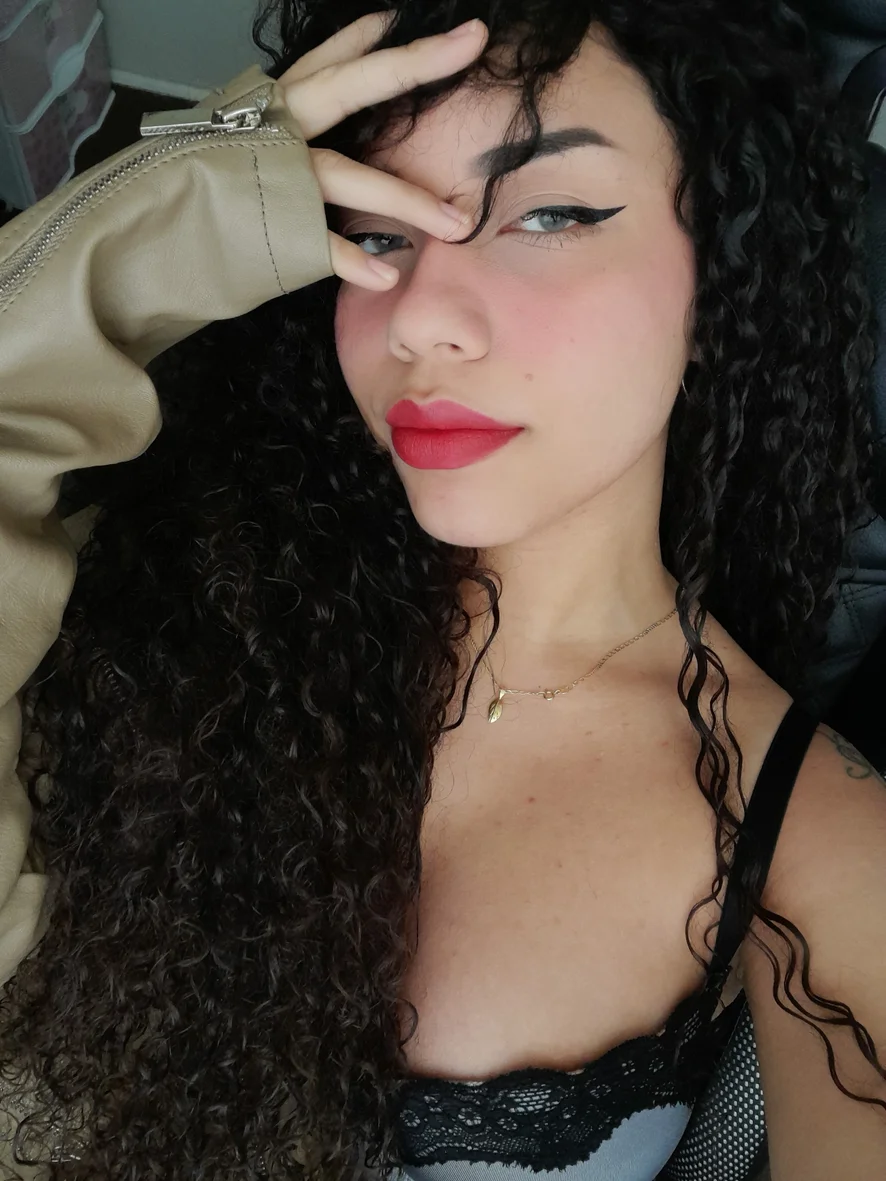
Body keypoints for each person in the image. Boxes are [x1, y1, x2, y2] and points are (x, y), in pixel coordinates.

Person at [0, 2, 884, 1179]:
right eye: (376, 230)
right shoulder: (167, 590)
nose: (418, 315)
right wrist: (170, 212)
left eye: (549, 214)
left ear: (725, 267)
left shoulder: (821, 846)